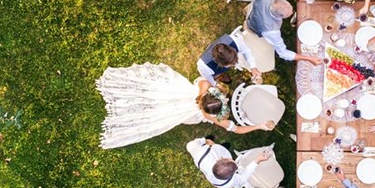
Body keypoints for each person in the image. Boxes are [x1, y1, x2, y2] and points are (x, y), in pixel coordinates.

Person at [96, 63, 275, 149]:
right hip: (188, 112)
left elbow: (203, 81)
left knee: (160, 101)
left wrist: (217, 89)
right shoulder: (211, 116)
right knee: (160, 111)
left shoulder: (204, 87)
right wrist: (259, 126)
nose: (226, 101)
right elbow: (236, 129)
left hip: (183, 96)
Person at [245, 0, 323, 66]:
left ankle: (249, 11)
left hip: (255, 7)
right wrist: (309, 59)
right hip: (253, 25)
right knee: (250, 25)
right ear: (279, 17)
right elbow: (283, 53)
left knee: (254, 9)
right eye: (289, 14)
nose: (292, 12)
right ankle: (248, 23)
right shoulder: (271, 31)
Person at [186, 137, 271, 188]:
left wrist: (204, 140)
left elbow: (190, 145)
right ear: (232, 175)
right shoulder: (230, 183)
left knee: (212, 142)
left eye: (229, 160)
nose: (231, 158)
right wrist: (257, 160)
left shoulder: (200, 154)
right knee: (219, 145)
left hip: (210, 150)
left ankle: (218, 144)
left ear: (219, 159)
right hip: (214, 150)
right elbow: (245, 175)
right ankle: (220, 145)